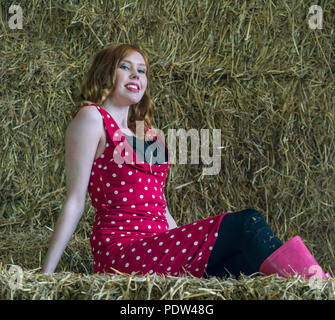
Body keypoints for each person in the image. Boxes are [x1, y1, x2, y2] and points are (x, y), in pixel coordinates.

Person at [41, 44, 329, 281]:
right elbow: (75, 201)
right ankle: (316, 285)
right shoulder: (92, 119)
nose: (136, 75)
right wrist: (44, 278)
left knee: (242, 261)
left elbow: (160, 206)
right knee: (247, 223)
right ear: (106, 72)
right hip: (123, 252)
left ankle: (307, 285)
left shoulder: (150, 136)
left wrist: (184, 250)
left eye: (142, 71)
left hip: (159, 247)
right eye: (125, 66)